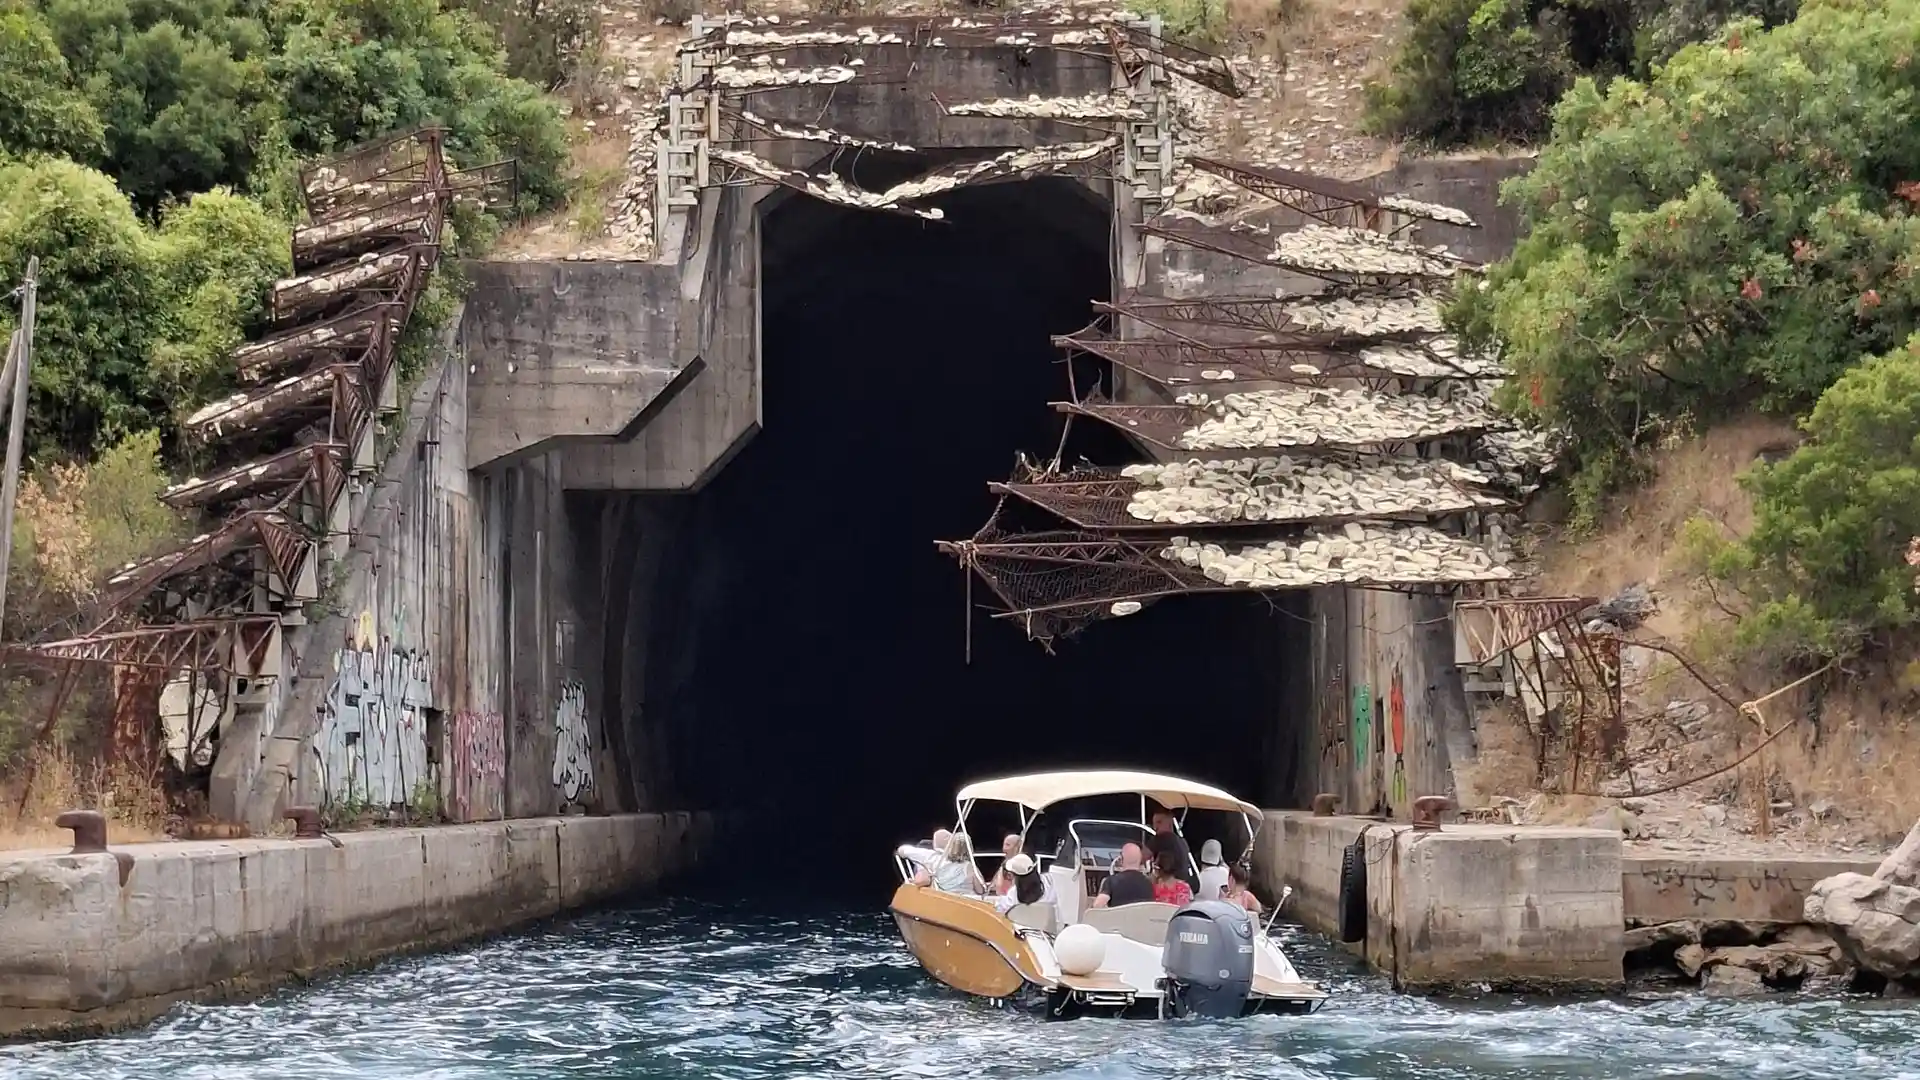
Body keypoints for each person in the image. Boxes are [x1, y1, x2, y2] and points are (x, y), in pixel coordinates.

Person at [904, 829, 984, 895]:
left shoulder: (935, 862)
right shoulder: (970, 867)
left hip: (943, 902)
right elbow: (981, 890)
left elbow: (904, 850)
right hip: (966, 903)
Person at [1089, 842, 1155, 908]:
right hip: (1141, 918)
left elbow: (1097, 905)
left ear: (1121, 859)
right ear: (1140, 860)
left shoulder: (1111, 881)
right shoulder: (1149, 883)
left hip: (1117, 917)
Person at [1146, 810, 1197, 890]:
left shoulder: (1162, 838)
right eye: (1154, 823)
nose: (1155, 827)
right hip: (1184, 887)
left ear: (1169, 823)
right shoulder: (1182, 841)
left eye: (1159, 822)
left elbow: (1141, 856)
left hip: (1169, 887)